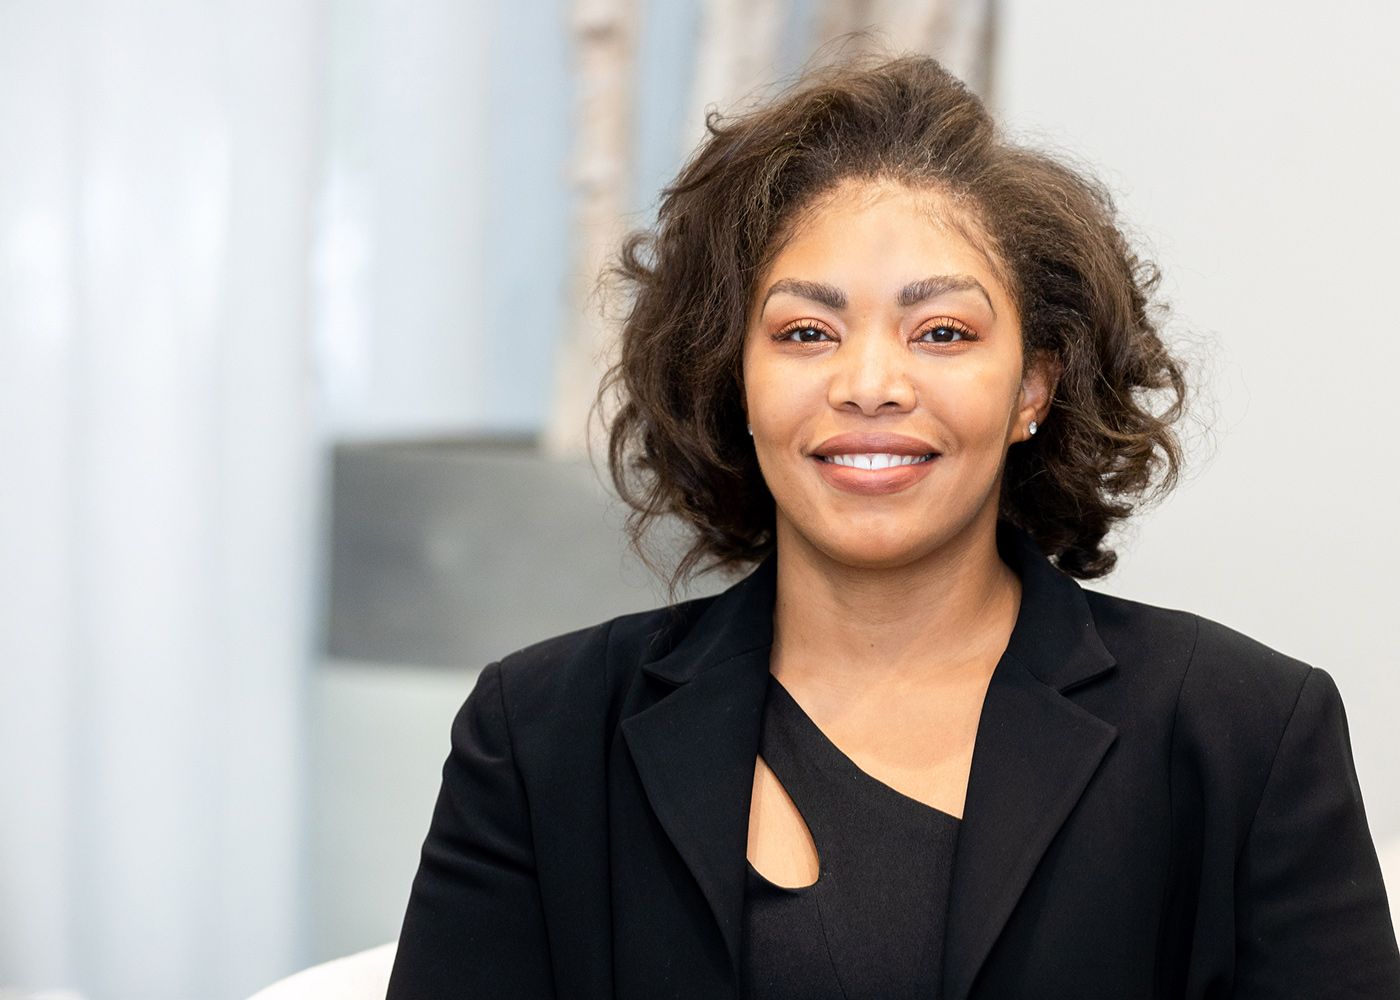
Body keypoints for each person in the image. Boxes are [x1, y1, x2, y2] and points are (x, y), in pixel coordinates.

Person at [385, 53, 1400, 999]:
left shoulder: (1242, 734)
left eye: (942, 333)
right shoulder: (542, 734)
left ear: (1032, 387)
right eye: (804, 332)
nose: (869, 383)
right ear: (734, 377)